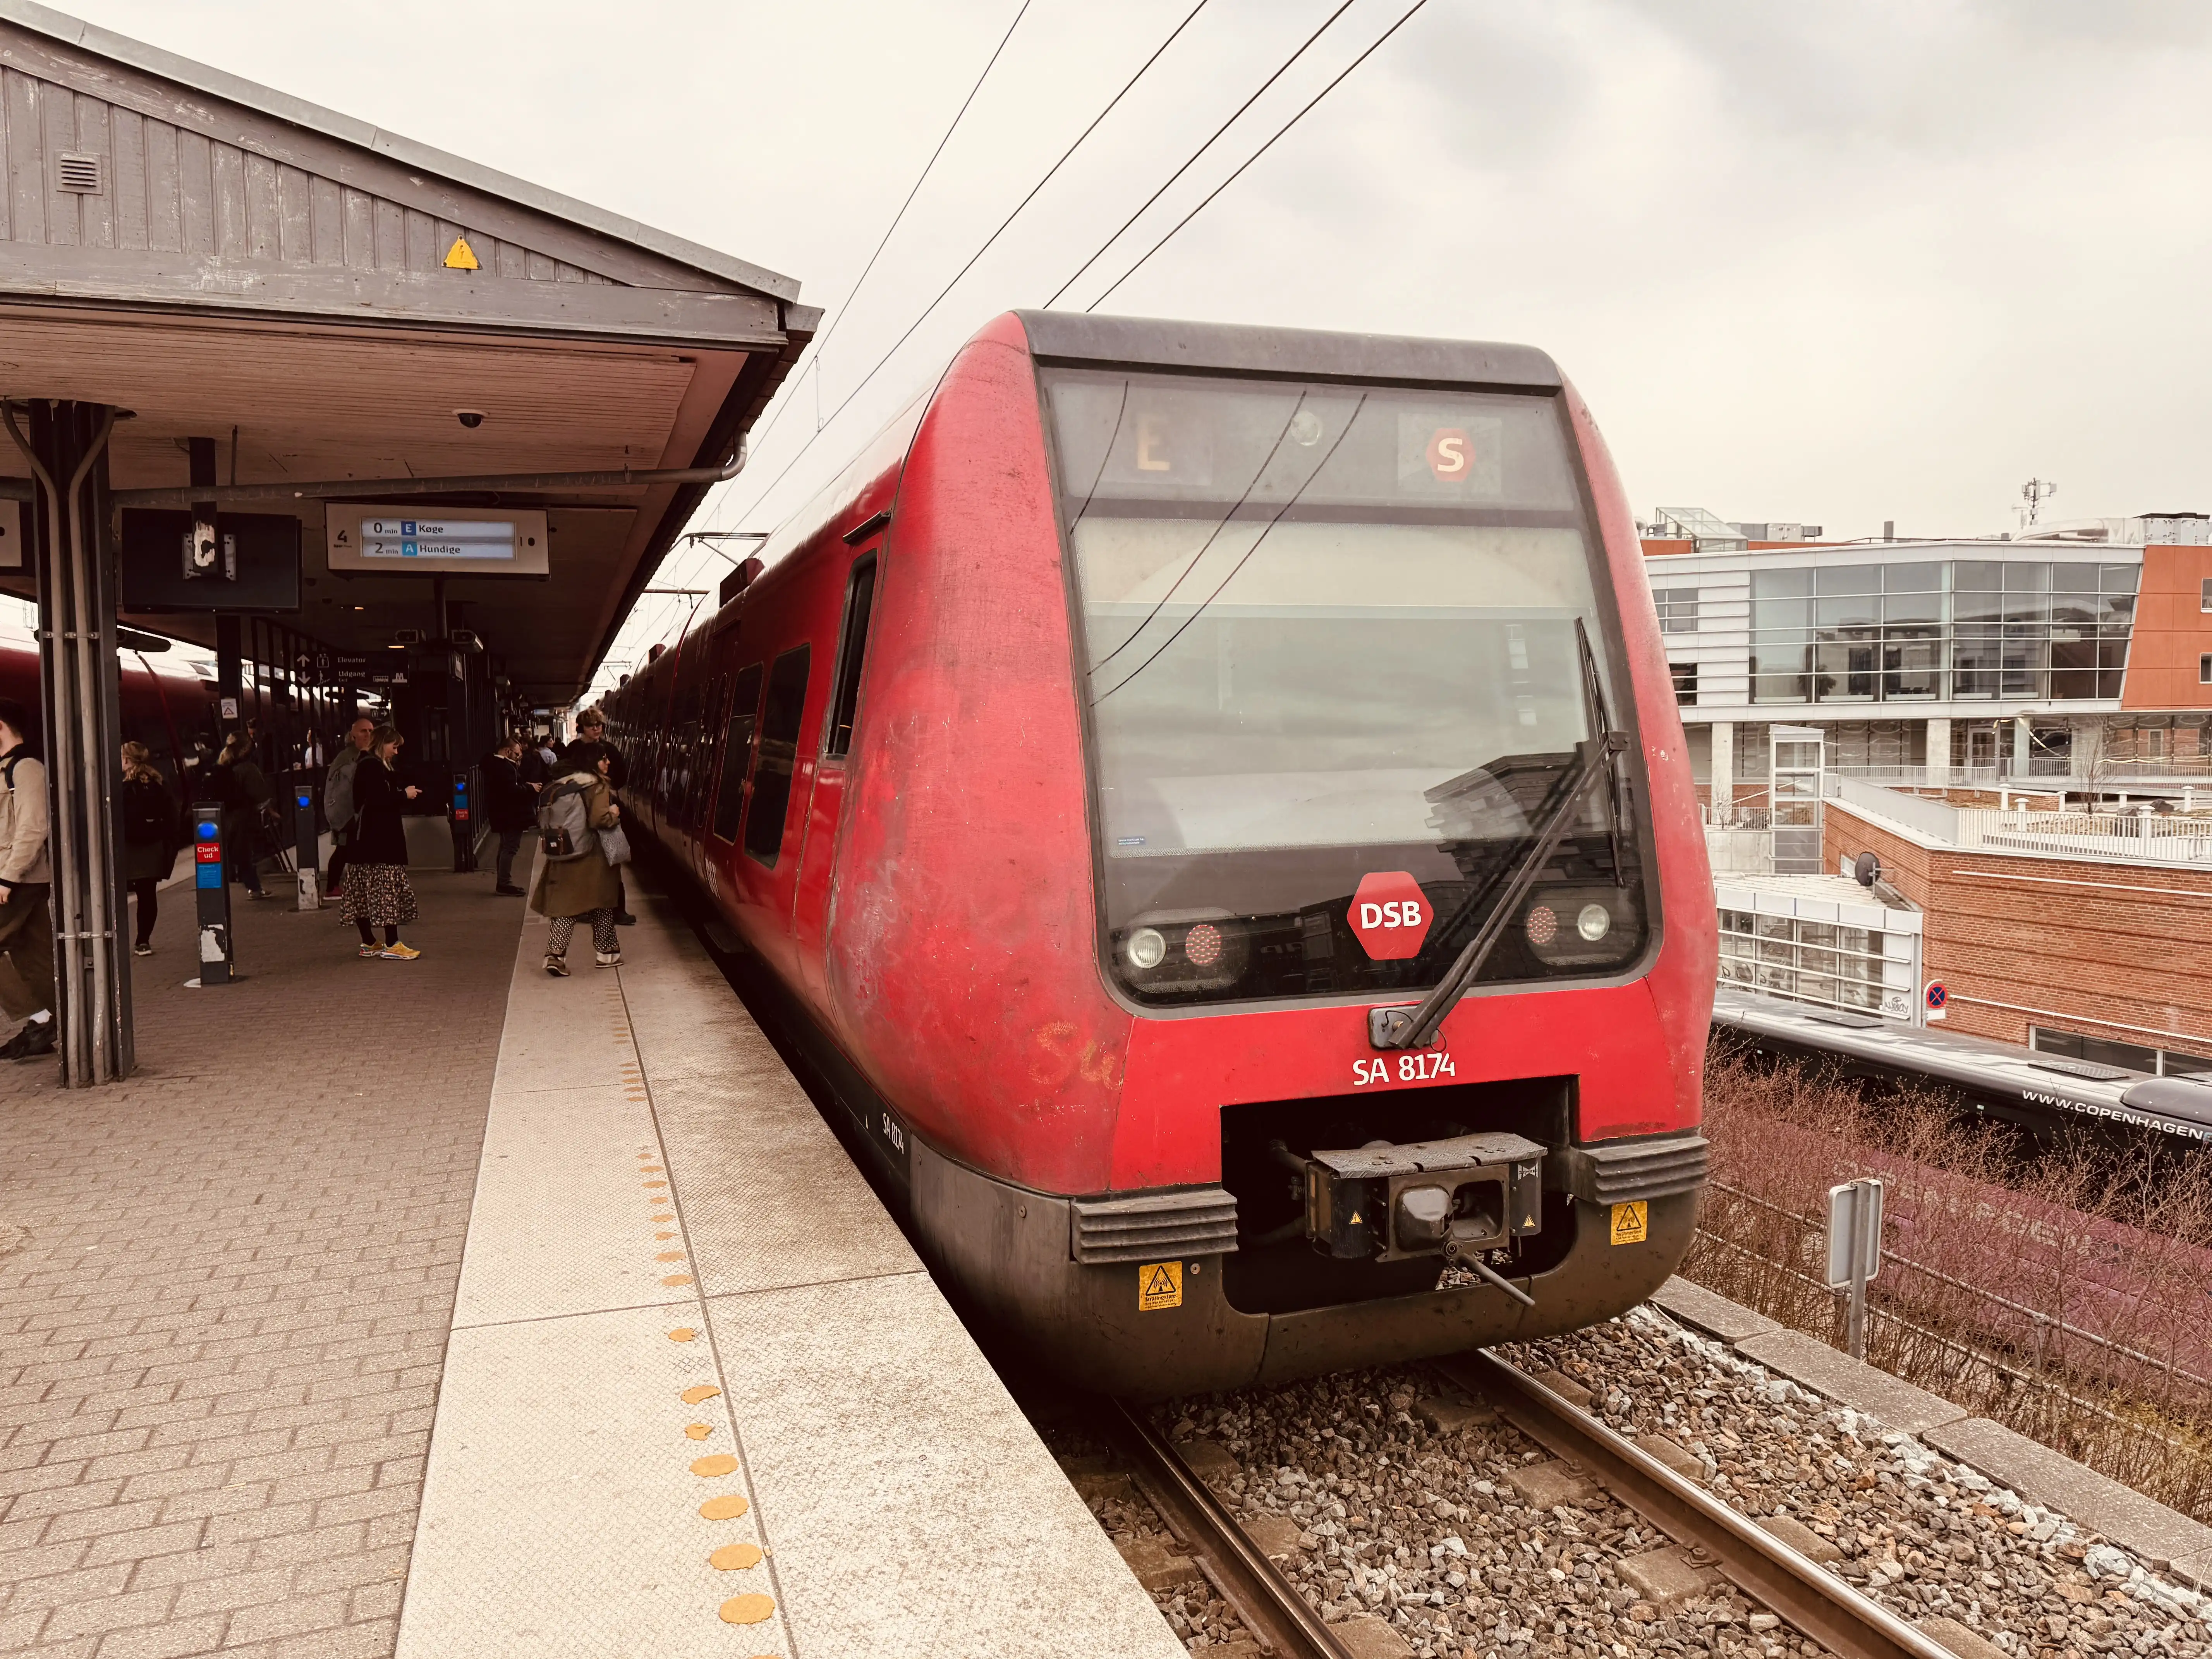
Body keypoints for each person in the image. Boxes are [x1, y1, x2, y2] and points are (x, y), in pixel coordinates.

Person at [531, 741, 623, 976]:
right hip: (592, 856)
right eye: (604, 759)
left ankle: (557, 955)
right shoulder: (596, 786)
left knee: (566, 906)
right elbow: (599, 820)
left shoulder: (565, 784)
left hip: (565, 851)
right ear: (594, 762)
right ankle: (605, 954)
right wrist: (613, 814)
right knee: (601, 902)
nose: (608, 762)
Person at [0, 699, 54, 1061]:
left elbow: (34, 826)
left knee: (31, 953)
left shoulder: (26, 768)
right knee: (33, 954)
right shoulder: (7, 769)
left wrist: (7, 878)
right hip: (19, 878)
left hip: (19, 878)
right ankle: (47, 1021)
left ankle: (42, 1017)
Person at [344, 726, 423, 960]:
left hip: (363, 842)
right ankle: (392, 943)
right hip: (379, 841)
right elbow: (379, 800)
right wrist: (403, 795)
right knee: (388, 891)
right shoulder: (372, 766)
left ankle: (369, 942)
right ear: (382, 744)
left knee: (361, 893)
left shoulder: (365, 764)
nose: (396, 752)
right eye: (394, 746)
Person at [562, 709, 634, 925]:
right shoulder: (573, 750)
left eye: (599, 725)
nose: (596, 729)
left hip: (604, 802)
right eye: (591, 725)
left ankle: (617, 909)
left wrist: (608, 788)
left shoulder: (609, 749)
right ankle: (584, 908)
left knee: (612, 861)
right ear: (582, 728)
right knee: (582, 860)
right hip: (578, 810)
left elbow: (621, 773)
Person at [120, 742, 180, 957]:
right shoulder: (158, 782)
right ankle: (143, 941)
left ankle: (114, 939)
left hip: (126, 849)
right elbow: (173, 815)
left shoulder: (120, 786)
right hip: (153, 848)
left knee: (117, 894)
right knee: (147, 896)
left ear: (127, 761)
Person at [207, 730, 271, 900]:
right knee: (244, 854)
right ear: (246, 748)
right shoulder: (248, 768)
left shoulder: (221, 766)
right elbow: (260, 795)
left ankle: (227, 887)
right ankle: (254, 888)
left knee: (230, 853)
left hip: (223, 818)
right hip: (242, 818)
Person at [324, 714, 376, 910]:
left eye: (371, 731)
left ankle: (337, 887)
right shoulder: (350, 758)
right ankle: (333, 888)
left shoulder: (354, 756)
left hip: (347, 814)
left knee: (346, 850)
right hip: (346, 814)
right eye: (364, 731)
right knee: (346, 850)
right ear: (352, 736)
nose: (369, 734)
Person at [483, 734, 534, 896]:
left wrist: (526, 785)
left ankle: (503, 882)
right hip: (511, 815)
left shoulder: (495, 765)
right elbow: (511, 791)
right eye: (517, 753)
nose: (519, 757)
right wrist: (530, 788)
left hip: (503, 813)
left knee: (505, 847)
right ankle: (504, 883)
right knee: (510, 848)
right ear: (507, 751)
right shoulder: (504, 767)